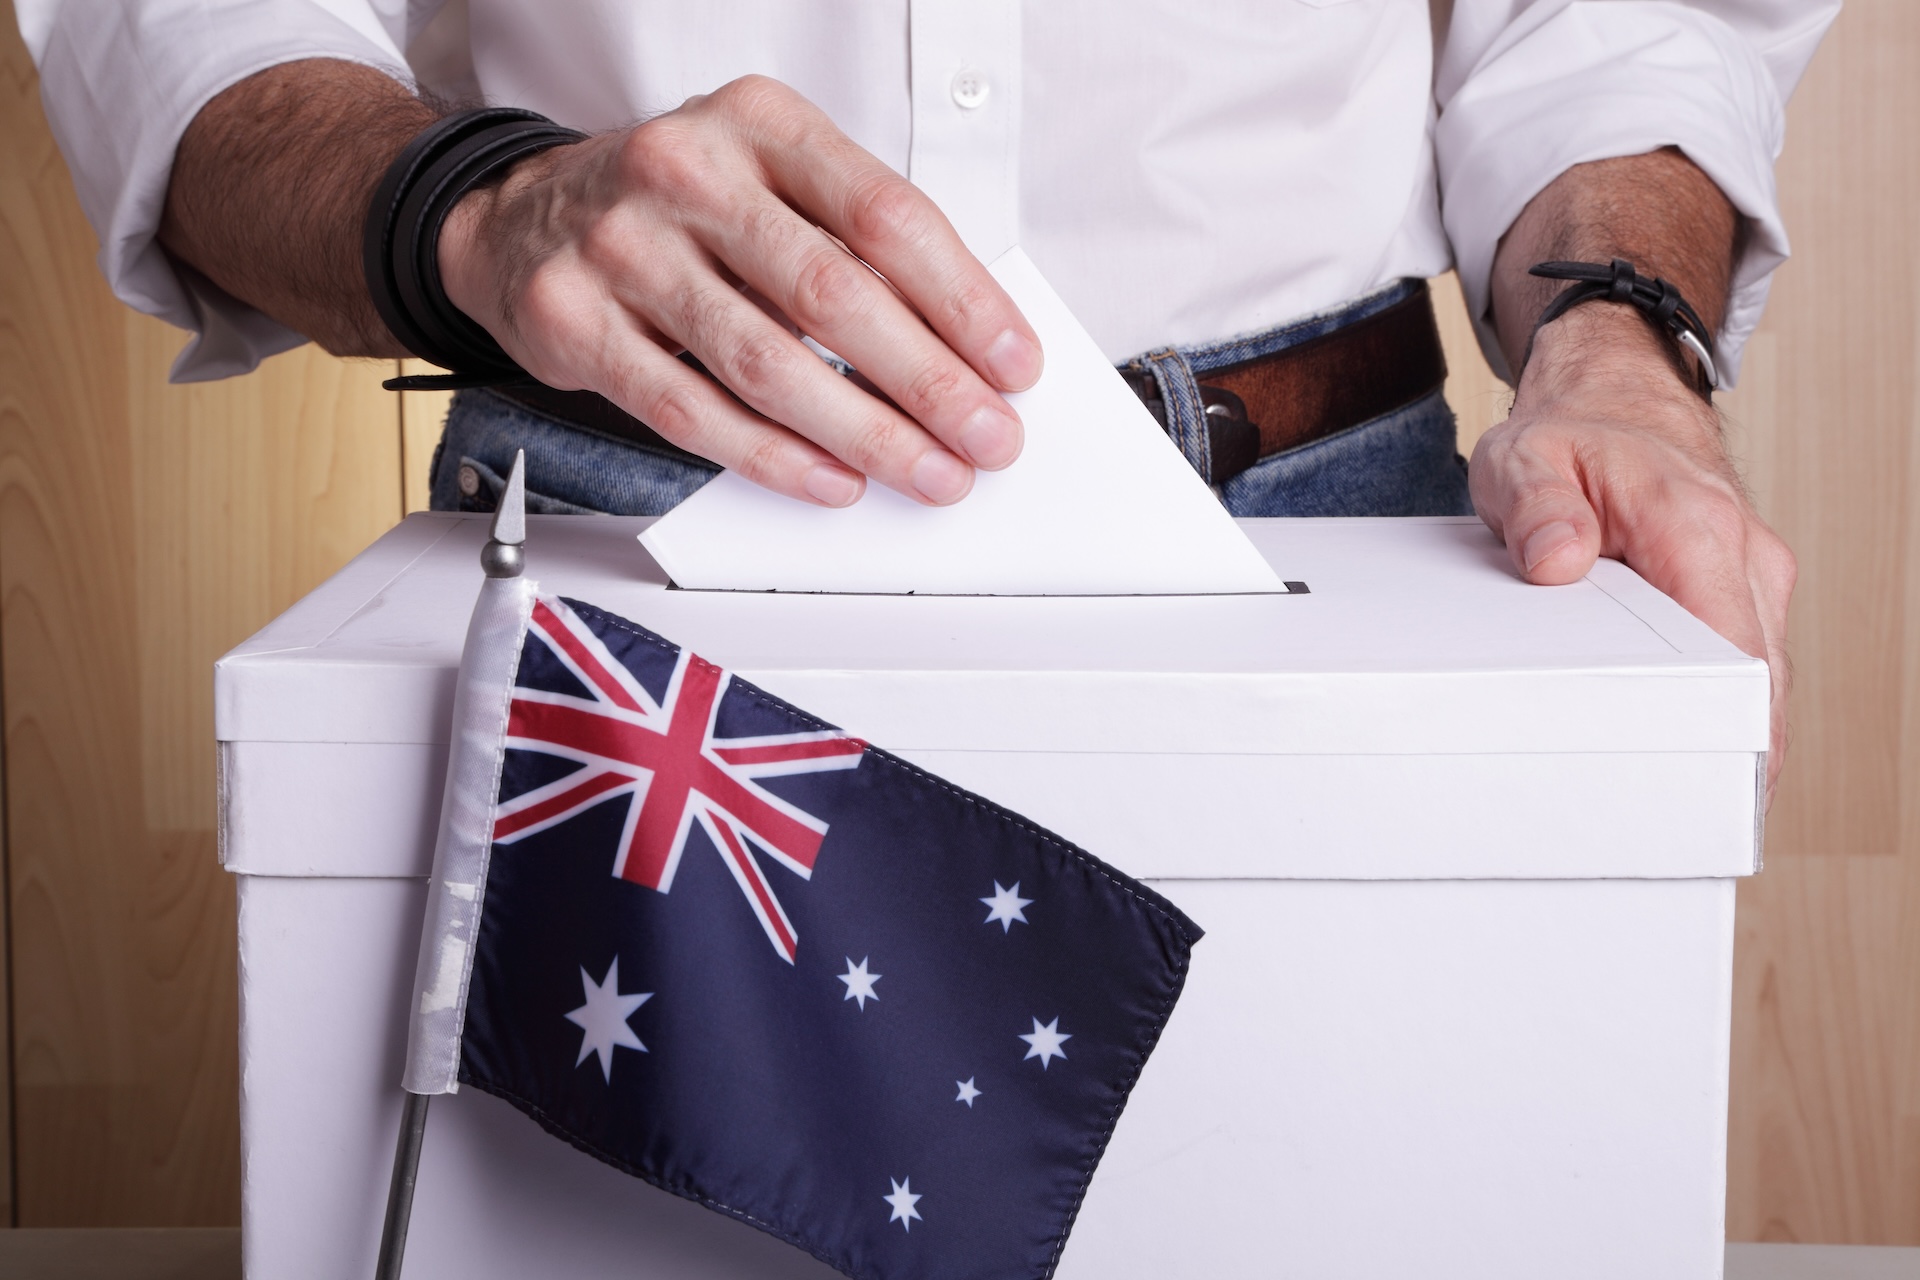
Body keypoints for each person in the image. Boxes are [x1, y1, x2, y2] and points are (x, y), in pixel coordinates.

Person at [19, 0, 1833, 796]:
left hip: (1332, 525)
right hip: (621, 547)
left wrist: (1612, 335)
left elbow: (1627, 8)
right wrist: (477, 208)